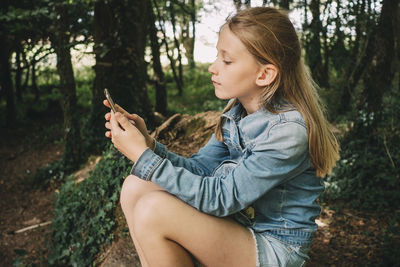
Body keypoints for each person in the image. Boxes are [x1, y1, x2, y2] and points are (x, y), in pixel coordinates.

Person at [104, 6, 339, 267]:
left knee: (154, 209)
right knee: (135, 186)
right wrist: (149, 145)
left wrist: (142, 156)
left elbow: (220, 198)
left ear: (265, 74)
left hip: (275, 246)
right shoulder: (236, 111)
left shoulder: (287, 132)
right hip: (239, 225)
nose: (213, 68)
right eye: (217, 56)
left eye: (226, 61)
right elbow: (200, 169)